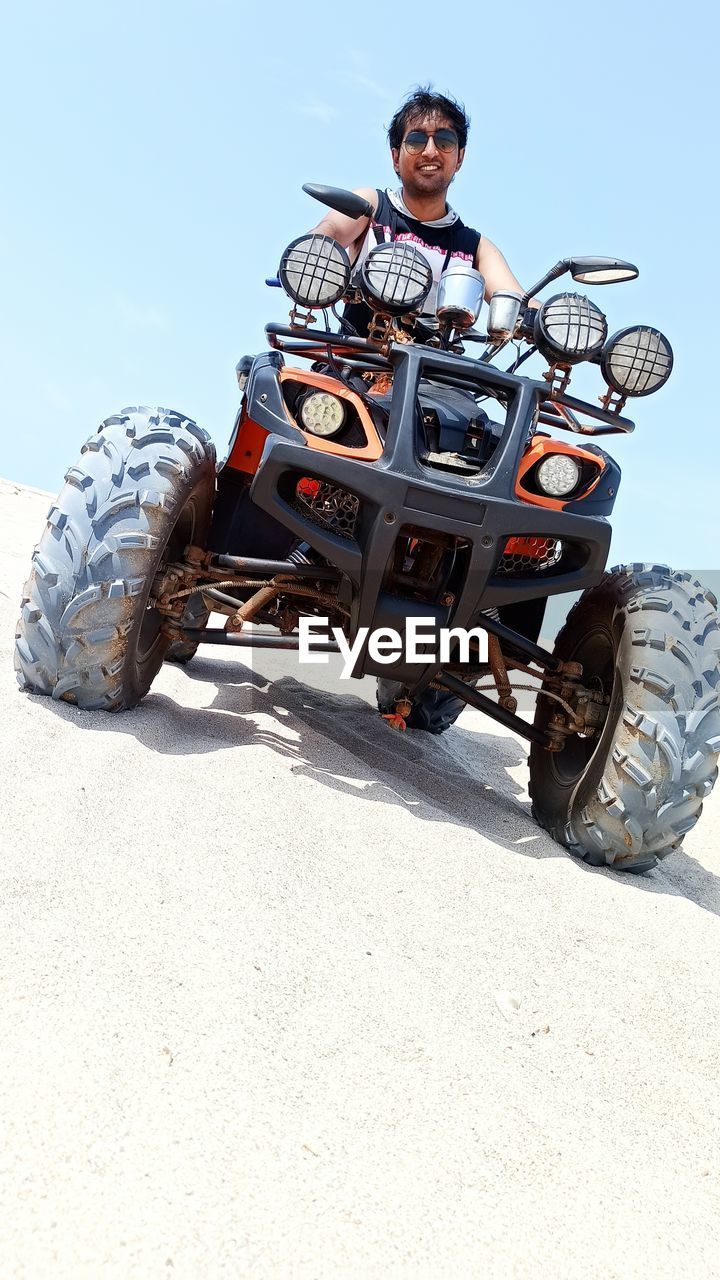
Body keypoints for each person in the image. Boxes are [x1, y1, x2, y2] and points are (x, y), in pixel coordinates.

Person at [309, 86, 529, 337]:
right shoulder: (371, 207)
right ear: (395, 157)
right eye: (416, 141)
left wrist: (558, 320)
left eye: (445, 141)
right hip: (351, 366)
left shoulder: (476, 248)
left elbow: (519, 302)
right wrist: (315, 247)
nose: (430, 151)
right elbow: (331, 231)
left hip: (434, 375)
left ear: (459, 158)